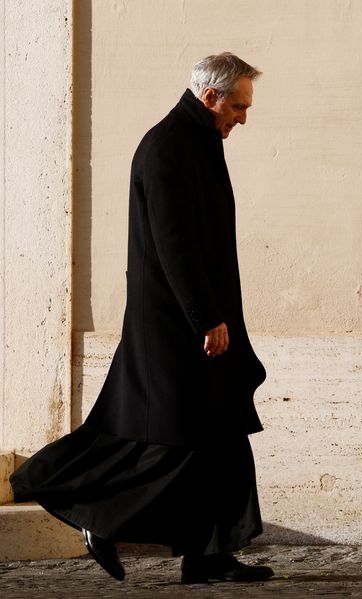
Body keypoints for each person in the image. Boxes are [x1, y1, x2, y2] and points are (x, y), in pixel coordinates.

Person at [11, 52, 273, 584]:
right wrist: (206, 318)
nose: (243, 118)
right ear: (210, 98)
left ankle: (210, 557)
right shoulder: (167, 148)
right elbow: (174, 246)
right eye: (238, 107)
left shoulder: (196, 141)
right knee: (164, 442)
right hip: (178, 328)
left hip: (200, 321)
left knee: (219, 436)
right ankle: (95, 515)